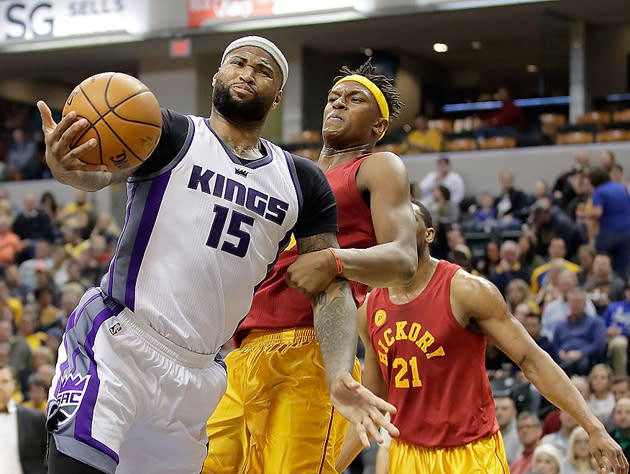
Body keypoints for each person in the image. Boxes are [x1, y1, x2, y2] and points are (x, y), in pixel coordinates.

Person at [38, 36, 396, 474]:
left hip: (199, 373)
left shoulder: (302, 181)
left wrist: (340, 373)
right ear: (217, 76)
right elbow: (97, 177)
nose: (247, 73)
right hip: (118, 342)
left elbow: (330, 290)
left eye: (263, 71)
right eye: (238, 63)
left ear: (278, 96)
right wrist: (65, 168)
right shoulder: (168, 133)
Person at [204, 60, 416, 474]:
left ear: (378, 127)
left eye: (355, 100)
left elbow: (404, 258)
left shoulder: (377, 165)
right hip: (242, 354)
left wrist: (334, 259)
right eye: (333, 97)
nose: (338, 103)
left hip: (311, 350)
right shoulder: (288, 174)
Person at [336, 202, 628, 474]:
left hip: (471, 452)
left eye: (406, 215)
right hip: (407, 454)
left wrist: (593, 427)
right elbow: (372, 400)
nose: (395, 221)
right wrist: (331, 467)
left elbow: (533, 360)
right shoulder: (369, 308)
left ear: (428, 234)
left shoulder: (466, 290)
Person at [580, 167, 630, 277]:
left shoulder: (599, 191)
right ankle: (622, 286)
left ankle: (605, 285)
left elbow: (598, 212)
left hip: (609, 232)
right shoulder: (621, 187)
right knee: (623, 265)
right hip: (626, 231)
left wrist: (584, 214)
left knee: (602, 260)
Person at [0, 364, 48, 474]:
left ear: (15, 385)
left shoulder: (34, 418)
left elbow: (50, 458)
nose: (0, 386)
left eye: (5, 381)